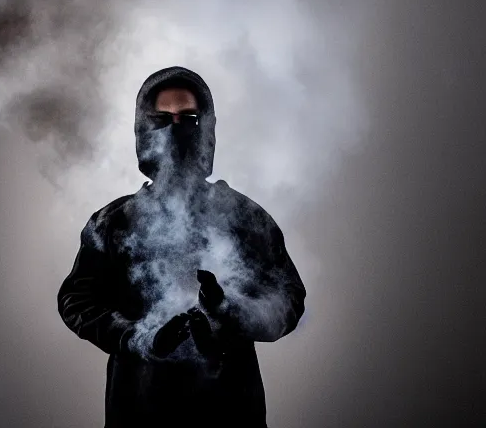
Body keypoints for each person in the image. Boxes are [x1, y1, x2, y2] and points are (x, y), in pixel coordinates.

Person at [57, 66, 306, 428]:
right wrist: (137, 337)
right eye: (162, 119)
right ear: (144, 128)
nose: (175, 129)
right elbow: (76, 301)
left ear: (206, 126)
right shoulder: (112, 222)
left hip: (231, 411)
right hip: (139, 410)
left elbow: (288, 300)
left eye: (188, 118)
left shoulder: (244, 217)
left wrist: (231, 310)